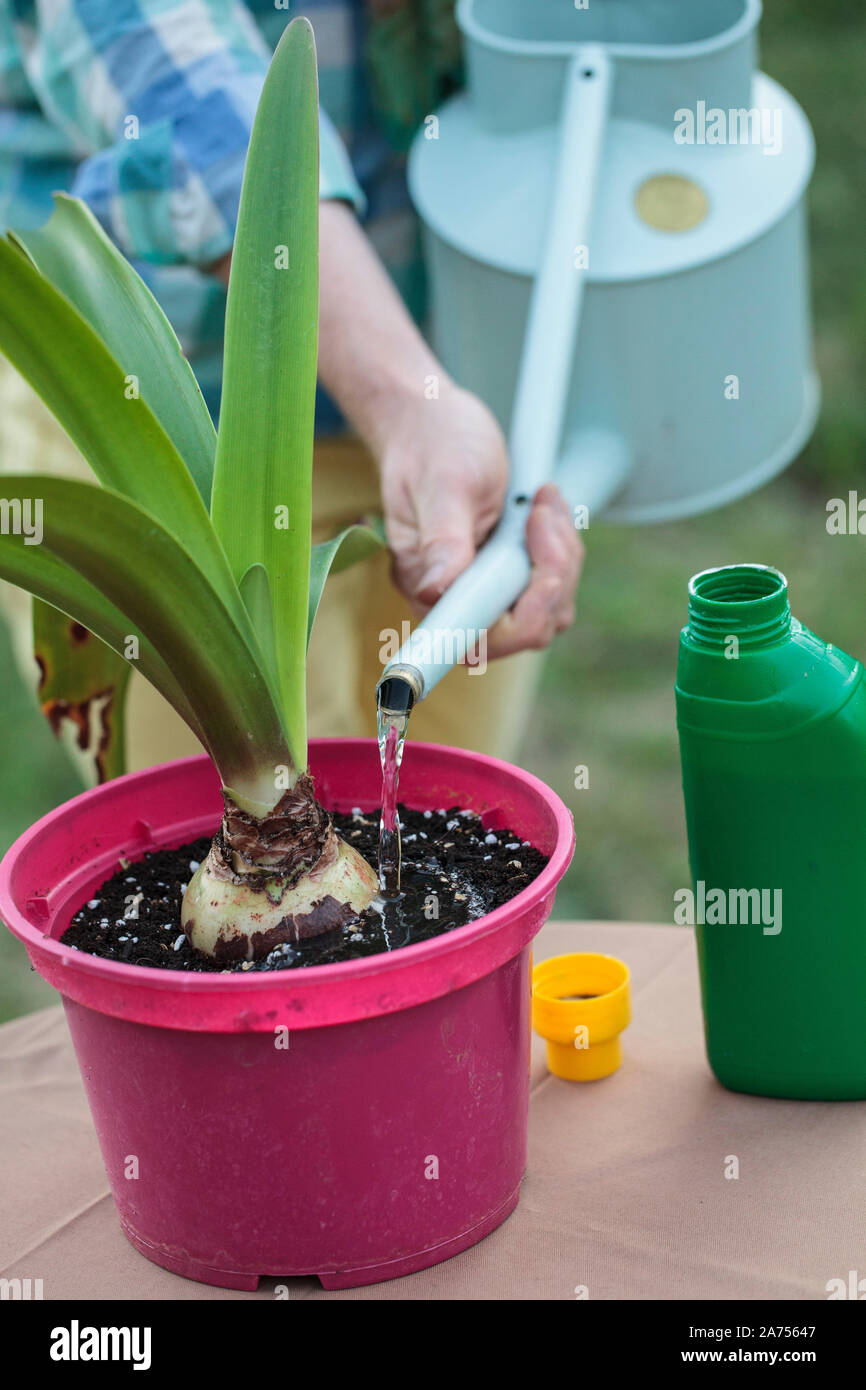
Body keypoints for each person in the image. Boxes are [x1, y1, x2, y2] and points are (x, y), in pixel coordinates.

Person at [0, 0, 581, 772]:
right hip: (159, 438)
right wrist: (405, 400)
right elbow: (184, 86)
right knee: (204, 826)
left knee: (458, 804)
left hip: (463, 406)